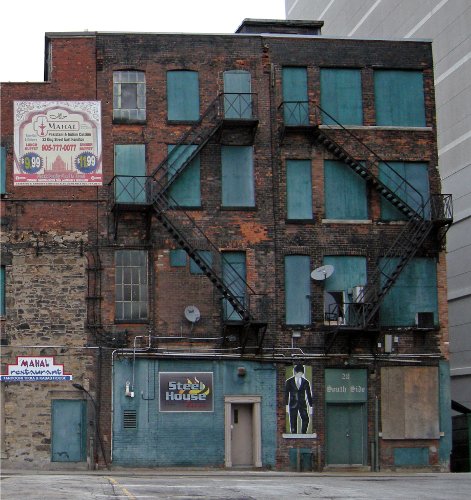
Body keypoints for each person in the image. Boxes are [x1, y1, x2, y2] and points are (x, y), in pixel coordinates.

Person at [285, 364, 313, 434]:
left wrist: (311, 405)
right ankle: (294, 434)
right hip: (292, 403)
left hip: (302, 403)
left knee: (306, 418)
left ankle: (303, 432)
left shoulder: (305, 382)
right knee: (293, 420)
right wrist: (286, 405)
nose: (300, 375)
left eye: (301, 373)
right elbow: (286, 394)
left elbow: (309, 394)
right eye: (298, 373)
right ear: (295, 373)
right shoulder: (289, 381)